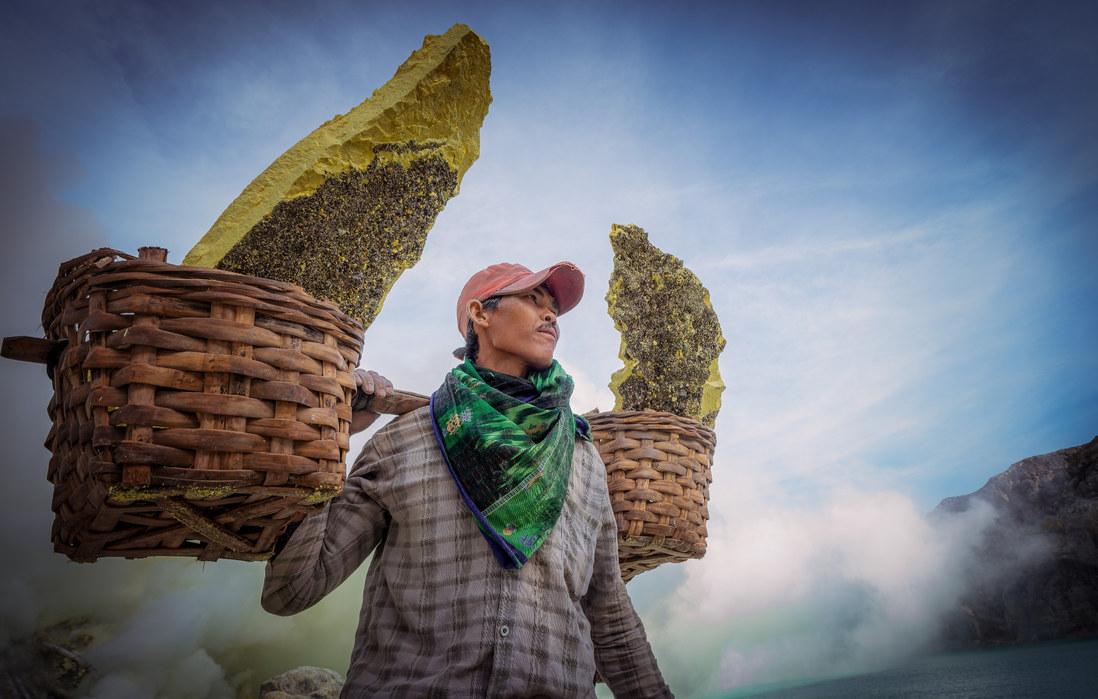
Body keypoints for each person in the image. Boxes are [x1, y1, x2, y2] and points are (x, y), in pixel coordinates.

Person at [261, 261, 674, 698]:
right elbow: (292, 590)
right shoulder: (402, 441)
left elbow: (611, 618)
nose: (551, 314)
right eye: (533, 299)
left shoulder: (582, 458)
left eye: (554, 308)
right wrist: (328, 437)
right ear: (480, 314)